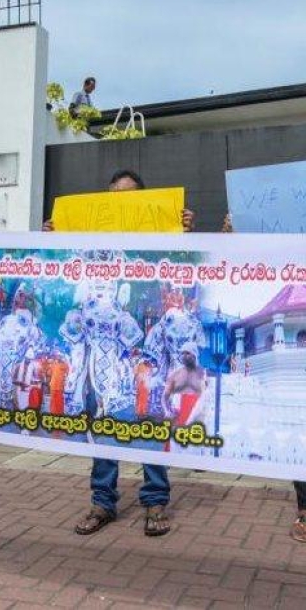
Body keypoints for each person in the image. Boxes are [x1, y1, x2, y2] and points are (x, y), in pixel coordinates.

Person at [48, 170, 191, 538]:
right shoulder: (91, 243)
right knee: (100, 423)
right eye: (113, 195)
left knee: (147, 418)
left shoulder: (151, 241)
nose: (119, 201)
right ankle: (102, 501)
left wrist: (182, 230)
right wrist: (53, 236)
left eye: (128, 196)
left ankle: (156, 499)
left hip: (131, 351)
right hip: (92, 360)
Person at [225, 205, 306, 546]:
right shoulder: (282, 260)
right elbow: (250, 259)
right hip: (290, 387)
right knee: (302, 442)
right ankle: (305, 511)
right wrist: (232, 239)